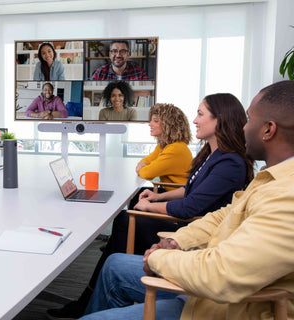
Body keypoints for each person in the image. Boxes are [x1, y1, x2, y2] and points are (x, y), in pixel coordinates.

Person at [80, 80, 294, 320]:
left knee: (125, 226)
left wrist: (161, 257)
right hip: (203, 277)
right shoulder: (269, 178)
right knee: (114, 264)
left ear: (268, 130)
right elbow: (223, 215)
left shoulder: (286, 196)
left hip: (216, 306)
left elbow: (221, 274)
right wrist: (176, 241)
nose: (243, 127)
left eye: (250, 119)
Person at [47, 93, 253, 320]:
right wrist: (155, 199)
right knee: (128, 218)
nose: (194, 120)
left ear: (220, 120)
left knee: (126, 220)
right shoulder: (211, 154)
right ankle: (96, 294)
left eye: (200, 114)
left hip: (192, 229)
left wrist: (149, 207)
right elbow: (190, 189)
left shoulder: (229, 163)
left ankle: (94, 296)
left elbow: (189, 207)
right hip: (188, 221)